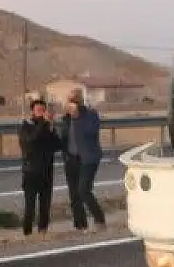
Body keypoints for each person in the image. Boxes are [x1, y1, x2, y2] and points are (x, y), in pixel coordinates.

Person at [58, 89, 107, 231]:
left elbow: (90, 133)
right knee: (74, 194)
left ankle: (99, 219)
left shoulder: (90, 115)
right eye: (70, 101)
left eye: (74, 101)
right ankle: (80, 225)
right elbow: (64, 138)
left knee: (83, 190)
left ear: (80, 102)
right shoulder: (66, 118)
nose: (72, 104)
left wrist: (77, 117)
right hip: (71, 158)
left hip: (88, 158)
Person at [18, 99, 63, 235]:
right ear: (32, 111)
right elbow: (31, 141)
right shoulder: (26, 126)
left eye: (43, 110)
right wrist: (43, 123)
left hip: (46, 171)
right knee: (30, 205)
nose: (41, 113)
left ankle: (43, 231)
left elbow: (57, 145)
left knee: (45, 205)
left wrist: (52, 128)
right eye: (38, 110)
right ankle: (27, 232)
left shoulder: (47, 127)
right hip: (31, 171)